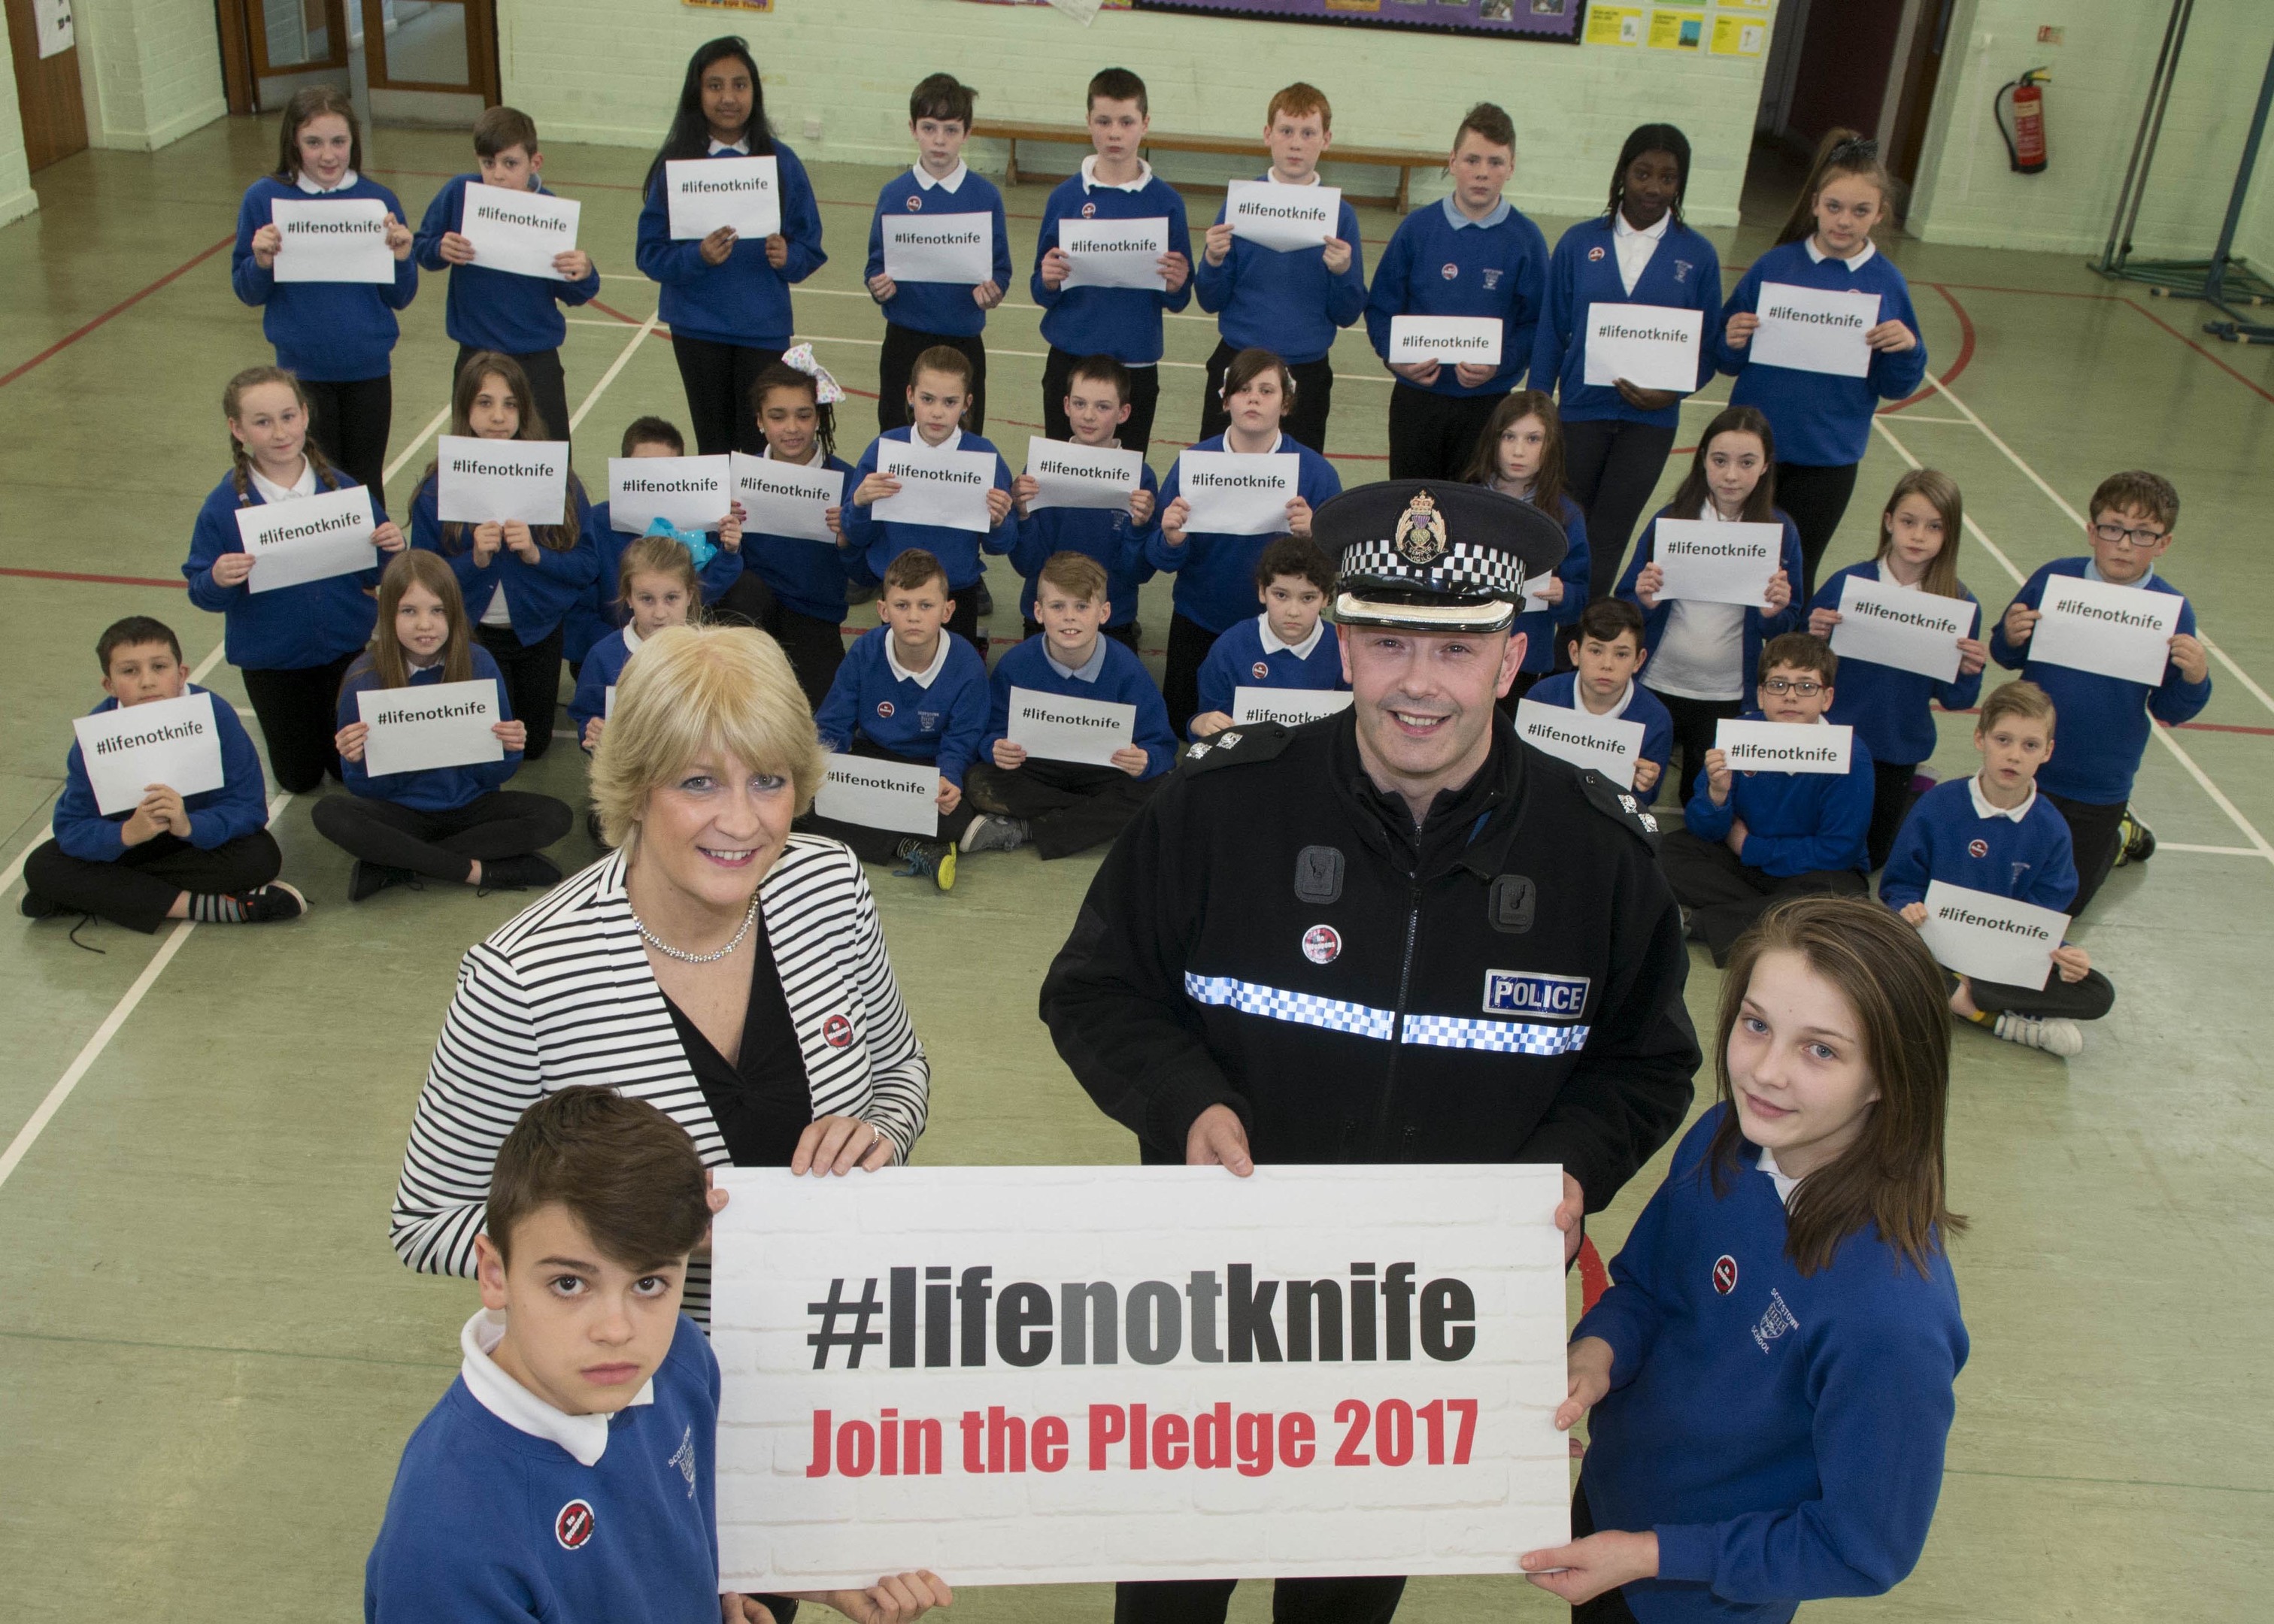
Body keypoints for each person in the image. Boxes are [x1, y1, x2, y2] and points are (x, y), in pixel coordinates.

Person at [1040, 480, 1699, 1624]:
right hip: (1211, 1313)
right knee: (1169, 1594)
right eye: (1389, 641)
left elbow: (1645, 1065)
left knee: (1340, 1603)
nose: (1419, 683)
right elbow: (1096, 991)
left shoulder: (1599, 858)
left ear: (1510, 658)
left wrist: (1566, 1170)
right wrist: (1184, 1100)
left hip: (1415, 1335)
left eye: (1454, 648)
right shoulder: (1217, 813)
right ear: (1344, 649)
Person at [388, 623, 930, 1325]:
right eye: (699, 782)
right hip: (650, 1383)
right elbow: (430, 1220)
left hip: (839, 1325)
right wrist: (632, 1243)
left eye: (768, 781)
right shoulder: (524, 978)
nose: (742, 823)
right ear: (637, 786)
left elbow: (899, 1070)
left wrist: (882, 1133)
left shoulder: (828, 884)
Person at [1521, 895, 1966, 1624]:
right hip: (1609, 1507)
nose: (1765, 1072)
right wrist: (1597, 1355)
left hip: (1698, 1598)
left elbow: (1863, 1548)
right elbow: (1646, 1285)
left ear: (1891, 1076)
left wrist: (1649, 1556)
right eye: (1756, 1026)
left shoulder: (1891, 1320)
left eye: (1820, 1049)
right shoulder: (1725, 1137)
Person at [365, 1085, 952, 1624]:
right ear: (494, 1274)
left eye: (649, 1284)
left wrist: (772, 1578)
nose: (618, 1330)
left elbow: (680, 1545)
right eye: (570, 1284)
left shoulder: (681, 1363)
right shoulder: (444, 1544)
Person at [1987, 468, 2210, 917]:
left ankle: (2117, 838)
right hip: (2027, 767)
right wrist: (2010, 636)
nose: (2125, 544)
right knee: (2000, 892)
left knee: (2060, 911)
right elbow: (2007, 654)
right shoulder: (2054, 579)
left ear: (2164, 543)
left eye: (2143, 534)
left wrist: (2195, 677)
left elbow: (2169, 708)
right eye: (2113, 529)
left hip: (2100, 782)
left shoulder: (2172, 610)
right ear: (2092, 531)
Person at [1716, 131, 1927, 601]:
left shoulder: (1886, 282)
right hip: (1754, 453)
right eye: (1834, 207)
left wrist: (1907, 349)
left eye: (1860, 211)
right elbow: (1726, 359)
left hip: (1828, 458)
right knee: (1733, 563)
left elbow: (1896, 383)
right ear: (1814, 204)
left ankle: (1786, 671)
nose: (1844, 221)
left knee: (1795, 574)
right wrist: (1730, 340)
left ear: (1880, 214)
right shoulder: (1774, 266)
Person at [184, 365, 409, 794]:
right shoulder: (222, 508)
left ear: (305, 416)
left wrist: (391, 547)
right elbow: (202, 593)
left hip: (346, 654)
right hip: (273, 666)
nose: (280, 432)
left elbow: (376, 572)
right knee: (299, 780)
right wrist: (216, 578)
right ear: (238, 429)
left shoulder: (341, 490)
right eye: (262, 422)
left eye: (288, 417)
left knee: (351, 769)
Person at [1530, 123, 1724, 602]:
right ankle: (1548, 629)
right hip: (1579, 412)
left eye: (1668, 178)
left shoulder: (1698, 256)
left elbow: (1708, 348)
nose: (1654, 188)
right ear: (1622, 174)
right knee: (1562, 525)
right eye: (1642, 173)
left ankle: (1585, 636)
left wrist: (1674, 391)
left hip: (1651, 423)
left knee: (1611, 533)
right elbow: (1551, 331)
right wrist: (1539, 406)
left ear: (1680, 185)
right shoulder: (1579, 243)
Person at [314, 552, 571, 902]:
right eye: (409, 611)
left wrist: (510, 748)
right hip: (400, 811)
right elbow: (362, 789)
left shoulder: (478, 663)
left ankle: (398, 862)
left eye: (438, 610)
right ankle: (480, 871)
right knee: (330, 812)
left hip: (471, 806)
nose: (425, 624)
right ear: (388, 615)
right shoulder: (364, 678)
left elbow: (494, 775)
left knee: (554, 816)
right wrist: (357, 760)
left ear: (454, 613)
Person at [22, 616, 305, 932]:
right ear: (109, 684)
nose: (147, 681)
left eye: (159, 667)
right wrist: (127, 833)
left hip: (195, 844)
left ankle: (90, 895)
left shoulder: (215, 715)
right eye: (130, 671)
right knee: (42, 866)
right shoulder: (97, 733)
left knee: (260, 857)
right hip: (130, 844)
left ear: (181, 673)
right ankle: (201, 906)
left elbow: (248, 809)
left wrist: (189, 825)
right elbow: (72, 827)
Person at [1880, 680, 2115, 1059]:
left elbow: (2041, 921)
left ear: (2048, 752)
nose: (2014, 756)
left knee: (2097, 993)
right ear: (1980, 739)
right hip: (1931, 944)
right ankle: (1999, 1018)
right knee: (1881, 951)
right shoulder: (1937, 805)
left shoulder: (2051, 829)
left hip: (2002, 960)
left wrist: (2065, 955)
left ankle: (1956, 993)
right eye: (2003, 740)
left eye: (2030, 745)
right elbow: (1899, 887)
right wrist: (1907, 906)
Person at [636, 35, 826, 458]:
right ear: (696, 92)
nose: (728, 97)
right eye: (715, 85)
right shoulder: (677, 163)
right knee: (714, 443)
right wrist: (696, 257)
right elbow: (650, 253)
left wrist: (788, 257)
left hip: (762, 327)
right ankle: (723, 525)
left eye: (740, 85)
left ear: (754, 93)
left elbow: (810, 246)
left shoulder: (781, 162)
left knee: (761, 444)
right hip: (696, 327)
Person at [410, 351, 599, 759]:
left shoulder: (557, 479)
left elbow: (588, 565)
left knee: (532, 747)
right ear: (464, 409)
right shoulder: (437, 486)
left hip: (539, 632)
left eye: (510, 404)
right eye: (485, 402)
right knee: (490, 747)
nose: (498, 416)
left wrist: (537, 556)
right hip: (472, 635)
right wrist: (473, 561)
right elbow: (417, 580)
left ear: (524, 411)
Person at [229, 85, 417, 495]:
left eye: (339, 142)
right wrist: (261, 262)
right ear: (294, 144)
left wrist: (402, 258)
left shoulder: (378, 201)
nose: (328, 155)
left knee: (366, 482)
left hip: (368, 370)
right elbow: (246, 290)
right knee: (316, 486)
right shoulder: (264, 199)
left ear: (354, 142)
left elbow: (400, 297)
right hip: (301, 375)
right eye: (313, 143)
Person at [1148, 347, 1342, 738]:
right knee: (1189, 729)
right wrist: (1171, 539)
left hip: (1286, 629)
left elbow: (1339, 565)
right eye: (1243, 389)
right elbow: (1160, 559)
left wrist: (1316, 538)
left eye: (1266, 390)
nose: (1253, 398)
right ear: (1225, 400)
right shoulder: (1193, 464)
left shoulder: (1317, 473)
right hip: (1200, 621)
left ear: (1286, 403)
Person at [1616, 406, 1803, 804]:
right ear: (1703, 461)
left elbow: (1788, 622)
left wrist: (1775, 615)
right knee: (1636, 791)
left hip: (1727, 694)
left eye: (1746, 462)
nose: (1731, 475)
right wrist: (1644, 601)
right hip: (1656, 684)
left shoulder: (1780, 531)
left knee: (1700, 799)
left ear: (1766, 465)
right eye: (1720, 461)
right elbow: (1625, 603)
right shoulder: (1670, 521)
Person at [1806, 468, 1985, 870]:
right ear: (1889, 521)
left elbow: (1956, 698)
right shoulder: (1848, 583)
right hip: (1833, 738)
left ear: (1949, 534)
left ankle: (1915, 792)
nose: (1918, 536)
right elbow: (1800, 658)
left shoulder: (1957, 604)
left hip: (1897, 747)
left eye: (1934, 527)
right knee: (1821, 843)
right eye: (1909, 522)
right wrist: (1814, 633)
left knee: (1873, 858)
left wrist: (1969, 670)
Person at [1662, 634, 1873, 965]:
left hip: (1810, 869)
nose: (1790, 697)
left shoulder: (1850, 755)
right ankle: (1773, 917)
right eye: (1778, 685)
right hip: (1744, 868)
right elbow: (1703, 829)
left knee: (1840, 896)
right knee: (1666, 851)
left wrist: (1749, 847)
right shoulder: (1740, 735)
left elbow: (1839, 849)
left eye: (1806, 686)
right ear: (1761, 695)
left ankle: (1697, 923)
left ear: (1827, 698)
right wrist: (1716, 796)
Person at [1363, 102, 1548, 481]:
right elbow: (1381, 308)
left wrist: (1502, 364)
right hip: (1416, 400)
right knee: (1411, 508)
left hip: (1489, 405)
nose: (1482, 173)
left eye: (1496, 162)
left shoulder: (1526, 240)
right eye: (1472, 159)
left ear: (1512, 167)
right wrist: (1393, 357)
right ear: (1452, 161)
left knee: (1469, 512)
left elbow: (1536, 324)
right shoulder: (1417, 228)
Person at [960, 552, 1176, 861]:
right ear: (1038, 611)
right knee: (978, 780)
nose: (1069, 617)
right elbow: (989, 731)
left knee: (1163, 786)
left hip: (1102, 771)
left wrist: (1145, 760)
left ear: (1104, 613)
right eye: (1057, 606)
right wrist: (994, 748)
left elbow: (1162, 745)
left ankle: (1029, 828)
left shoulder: (1127, 669)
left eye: (1082, 606)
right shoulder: (1016, 664)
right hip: (1037, 769)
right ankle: (1090, 817)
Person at [412, 105, 600, 456]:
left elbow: (572, 291)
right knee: (475, 462)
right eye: (488, 163)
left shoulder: (549, 210)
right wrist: (439, 247)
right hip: (475, 357)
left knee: (549, 462)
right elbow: (421, 247)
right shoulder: (460, 193)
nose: (497, 175)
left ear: (535, 163)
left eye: (510, 164)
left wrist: (584, 272)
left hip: (535, 359)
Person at [1193, 81, 1367, 453]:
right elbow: (1210, 299)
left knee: (1297, 488)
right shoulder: (1240, 203)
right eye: (1286, 131)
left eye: (1308, 133)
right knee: (1218, 474)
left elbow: (1348, 312)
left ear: (1326, 139)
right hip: (1237, 364)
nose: (1296, 143)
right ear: (1268, 135)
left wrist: (1343, 273)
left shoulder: (1341, 217)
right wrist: (1213, 260)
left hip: (1306, 373)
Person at [1029, 67, 1194, 459]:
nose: (1115, 133)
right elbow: (1041, 288)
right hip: (1070, 359)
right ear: (1088, 122)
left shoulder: (1167, 203)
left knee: (1125, 478)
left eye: (1126, 121)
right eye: (1103, 121)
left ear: (1145, 124)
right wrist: (1048, 280)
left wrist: (1177, 283)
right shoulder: (1064, 198)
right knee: (1061, 469)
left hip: (1135, 362)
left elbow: (1180, 297)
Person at [805, 549, 990, 887]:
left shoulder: (966, 664)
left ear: (947, 611)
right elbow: (834, 722)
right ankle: (909, 846)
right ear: (883, 611)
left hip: (929, 766)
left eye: (926, 605)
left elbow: (962, 739)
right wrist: (824, 767)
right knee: (796, 805)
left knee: (956, 819)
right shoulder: (865, 651)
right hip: (872, 757)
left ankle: (887, 836)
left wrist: (950, 777)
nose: (914, 617)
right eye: (902, 606)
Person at [842, 345, 1017, 653]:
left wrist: (1000, 522)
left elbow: (1000, 546)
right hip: (898, 594)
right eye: (927, 399)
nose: (937, 412)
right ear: (910, 395)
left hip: (957, 592)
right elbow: (856, 534)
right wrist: (859, 503)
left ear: (967, 404)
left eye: (950, 402)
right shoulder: (884, 450)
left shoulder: (983, 455)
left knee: (955, 675)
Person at [866, 73, 1011, 435]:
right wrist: (877, 285)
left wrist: (994, 291)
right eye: (929, 128)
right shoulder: (895, 194)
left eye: (950, 129)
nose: (939, 140)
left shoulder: (985, 197)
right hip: (904, 341)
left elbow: (1001, 270)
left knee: (963, 443)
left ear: (967, 132)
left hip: (962, 341)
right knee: (897, 437)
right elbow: (875, 264)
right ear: (913, 128)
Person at [714, 352, 861, 708]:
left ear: (818, 417)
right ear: (760, 421)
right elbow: (706, 570)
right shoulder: (733, 479)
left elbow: (866, 574)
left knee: (824, 716)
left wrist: (847, 540)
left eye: (803, 415)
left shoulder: (847, 481)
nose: (792, 428)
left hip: (814, 615)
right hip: (749, 612)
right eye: (777, 417)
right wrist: (725, 543)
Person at [564, 415, 744, 674]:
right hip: (609, 653)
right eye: (643, 471)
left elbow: (702, 592)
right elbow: (579, 609)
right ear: (624, 471)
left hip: (676, 649)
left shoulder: (699, 522)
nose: (653, 482)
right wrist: (622, 648)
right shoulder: (595, 523)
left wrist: (729, 552)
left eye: (665, 470)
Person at [1008, 353, 1160, 650]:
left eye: (1103, 406)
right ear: (1066, 406)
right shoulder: (1038, 472)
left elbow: (1139, 573)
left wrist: (1141, 528)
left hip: (1112, 618)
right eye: (1080, 404)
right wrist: (1023, 516)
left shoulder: (1140, 480)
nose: (1089, 415)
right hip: (1045, 617)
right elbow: (1027, 565)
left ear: (1124, 412)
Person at [1465, 389, 1589, 706]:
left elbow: (1580, 595)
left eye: (1533, 439)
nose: (1519, 451)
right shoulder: (1464, 502)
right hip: (1465, 646)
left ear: (1551, 447)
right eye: (1509, 437)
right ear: (1492, 441)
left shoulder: (1566, 515)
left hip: (1526, 657)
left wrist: (1565, 595)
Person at [1187, 535, 1343, 741]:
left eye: (1308, 598)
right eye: (1281, 595)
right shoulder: (1229, 648)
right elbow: (1209, 723)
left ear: (1326, 599)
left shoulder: (1344, 649)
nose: (1293, 611)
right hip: (1245, 763)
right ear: (1262, 591)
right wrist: (1199, 723)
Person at [569, 532, 702, 755]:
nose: (660, 613)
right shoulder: (603, 656)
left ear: (689, 595)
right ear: (629, 598)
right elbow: (587, 715)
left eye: (671, 598)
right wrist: (592, 733)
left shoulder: (709, 652)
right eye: (647, 599)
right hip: (626, 774)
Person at [1526, 598, 1674, 797]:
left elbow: (1643, 801)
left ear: (1638, 660)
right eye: (1596, 651)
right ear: (1575, 652)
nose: (1607, 664)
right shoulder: (1542, 696)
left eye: (1621, 654)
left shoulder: (1656, 718)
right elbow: (1522, 772)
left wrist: (1644, 786)